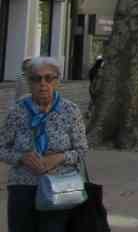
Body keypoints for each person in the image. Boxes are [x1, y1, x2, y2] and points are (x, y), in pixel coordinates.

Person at [0, 56, 88, 232]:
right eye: (36, 79)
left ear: (57, 81)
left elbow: (81, 150)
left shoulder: (70, 110)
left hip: (60, 186)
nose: (42, 83)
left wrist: (59, 157)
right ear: (28, 81)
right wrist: (21, 158)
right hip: (22, 185)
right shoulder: (18, 110)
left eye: (49, 78)